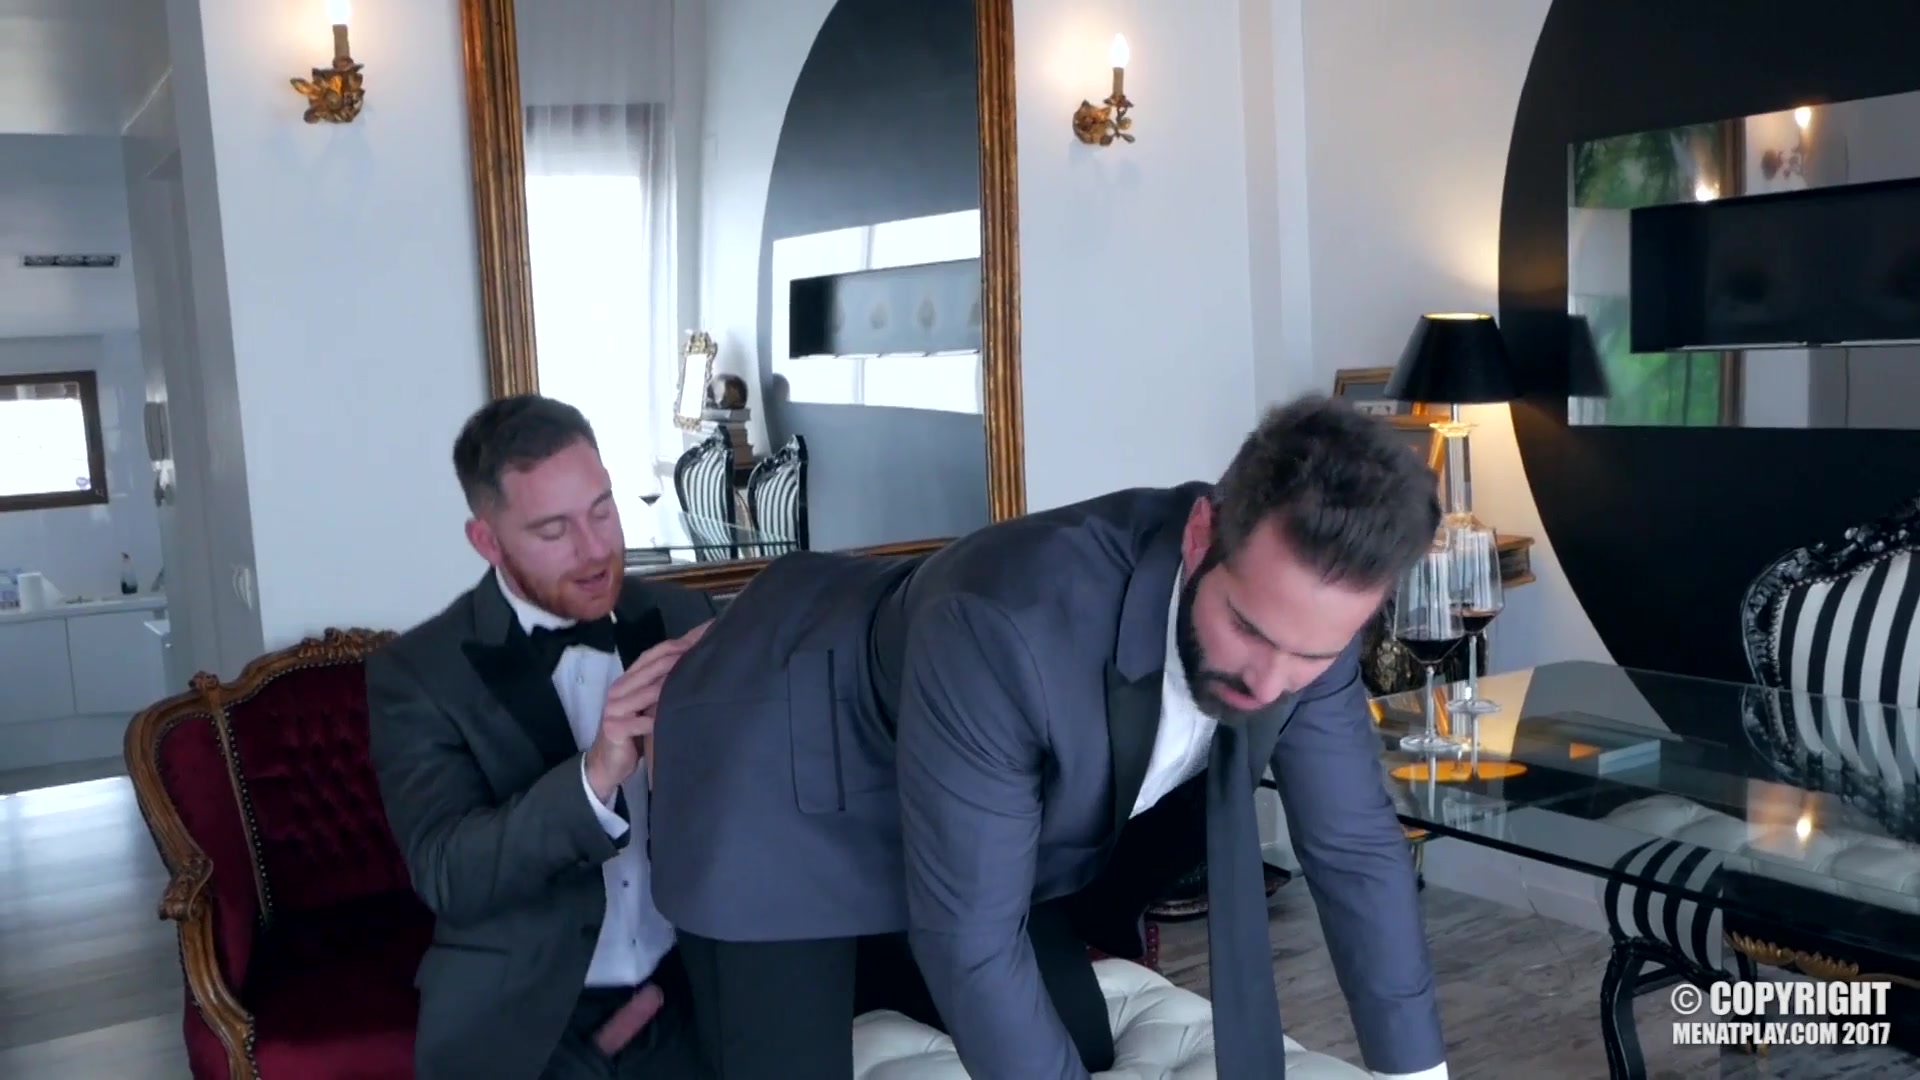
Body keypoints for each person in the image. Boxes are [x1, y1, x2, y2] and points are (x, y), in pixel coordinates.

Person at [649, 394, 1452, 1079]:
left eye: (1310, 656)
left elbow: (1357, 852)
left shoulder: (1306, 625)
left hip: (963, 804)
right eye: (1247, 628)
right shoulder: (1006, 625)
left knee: (1079, 1043)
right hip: (781, 766)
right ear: (1201, 535)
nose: (1271, 683)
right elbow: (972, 943)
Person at [369, 395, 716, 1080]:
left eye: (602, 510)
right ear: (487, 541)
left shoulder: (684, 616)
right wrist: (596, 775)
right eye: (554, 530)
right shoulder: (417, 674)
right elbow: (448, 872)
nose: (595, 550)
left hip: (693, 996)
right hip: (533, 1025)